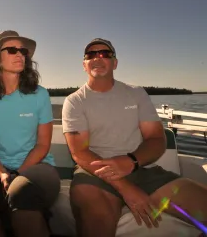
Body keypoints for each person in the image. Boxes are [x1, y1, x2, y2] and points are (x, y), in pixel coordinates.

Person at [62, 38, 207, 237]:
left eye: (105, 53)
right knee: (95, 217)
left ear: (115, 63)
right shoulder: (74, 101)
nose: (97, 58)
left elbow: (156, 139)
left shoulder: (136, 94)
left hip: (141, 168)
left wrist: (131, 162)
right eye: (91, 55)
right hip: (93, 172)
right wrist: (124, 186)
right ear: (84, 65)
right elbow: (79, 152)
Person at [0, 30, 61, 237]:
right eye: (12, 50)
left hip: (37, 166)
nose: (20, 55)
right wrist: (2, 172)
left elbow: (42, 145)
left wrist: (17, 174)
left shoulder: (39, 94)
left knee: (21, 193)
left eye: (23, 51)